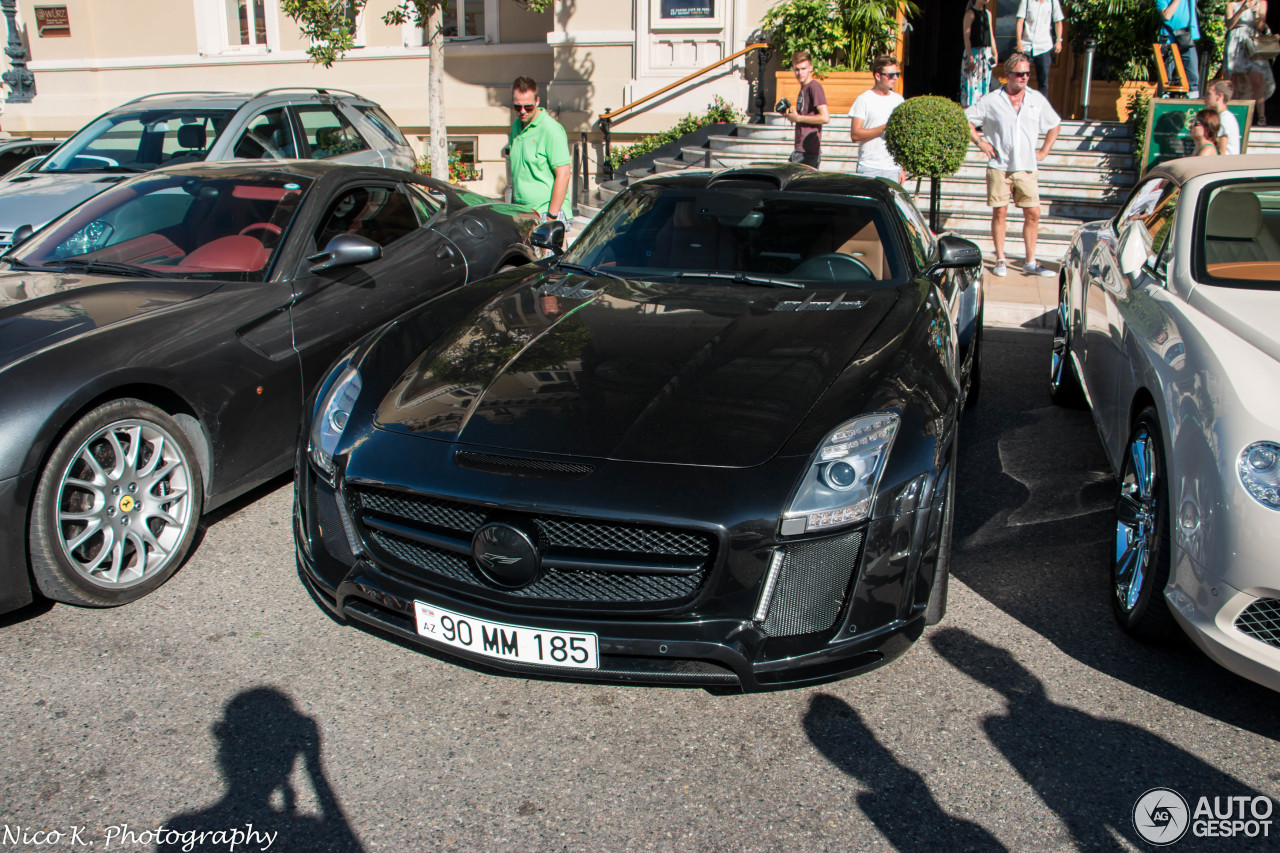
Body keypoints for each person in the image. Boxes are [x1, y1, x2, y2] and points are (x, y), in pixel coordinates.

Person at [966, 53, 1062, 278]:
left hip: (1026, 166)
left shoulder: (1035, 98)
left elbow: (1054, 124)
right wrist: (980, 142)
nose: (1024, 77)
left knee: (1033, 213)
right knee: (1000, 212)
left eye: (1028, 73)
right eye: (1019, 73)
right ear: (1007, 74)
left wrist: (1045, 150)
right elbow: (966, 119)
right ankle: (1000, 258)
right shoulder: (991, 100)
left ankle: (1030, 261)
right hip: (999, 165)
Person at [508, 75, 572, 222]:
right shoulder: (516, 127)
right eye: (518, 107)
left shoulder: (551, 130)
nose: (522, 111)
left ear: (537, 101)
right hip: (522, 212)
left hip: (546, 213)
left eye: (528, 107)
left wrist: (551, 217)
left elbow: (564, 174)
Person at [849, 55, 905, 181]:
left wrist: (902, 168)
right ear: (878, 76)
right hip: (869, 167)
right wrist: (884, 128)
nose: (895, 78)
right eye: (890, 75)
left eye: (897, 74)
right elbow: (855, 134)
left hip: (892, 168)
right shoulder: (864, 100)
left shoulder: (898, 100)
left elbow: (901, 137)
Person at [1225, 0, 1275, 126]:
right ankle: (1232, 115)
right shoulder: (1231, 4)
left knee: (1257, 80)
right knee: (1233, 81)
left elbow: (1261, 27)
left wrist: (1256, 14)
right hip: (1235, 42)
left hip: (1253, 41)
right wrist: (1242, 9)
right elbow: (1229, 25)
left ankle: (1261, 117)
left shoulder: (1261, 2)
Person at [783, 50, 829, 167]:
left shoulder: (814, 87)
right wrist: (790, 115)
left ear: (810, 68)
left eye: (803, 69)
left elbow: (825, 117)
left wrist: (798, 118)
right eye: (797, 69)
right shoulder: (803, 88)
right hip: (801, 149)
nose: (800, 73)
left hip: (808, 152)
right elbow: (803, 117)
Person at [1015, 0, 1064, 96]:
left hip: (1044, 46)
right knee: (1020, 77)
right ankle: (1018, 103)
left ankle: (1041, 107)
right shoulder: (1027, 1)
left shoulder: (1052, 2)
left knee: (1043, 81)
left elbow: (1058, 21)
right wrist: (1019, 42)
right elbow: (1020, 21)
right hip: (1027, 46)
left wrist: (1059, 40)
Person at [1156, 0, 1202, 98]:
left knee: (1193, 77)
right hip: (1169, 41)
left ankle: (1191, 103)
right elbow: (1166, 16)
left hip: (1187, 38)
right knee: (1167, 80)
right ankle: (1165, 103)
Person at [962, 0, 999, 107]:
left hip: (985, 53)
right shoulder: (970, 14)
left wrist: (994, 52)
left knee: (984, 84)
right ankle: (970, 110)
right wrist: (970, 57)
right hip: (974, 52)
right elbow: (966, 37)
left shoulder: (988, 14)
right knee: (972, 84)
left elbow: (991, 34)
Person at [1205, 79, 1242, 153]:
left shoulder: (1224, 119)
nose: (1205, 97)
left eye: (1209, 94)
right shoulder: (1225, 117)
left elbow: (1222, 152)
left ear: (1219, 96)